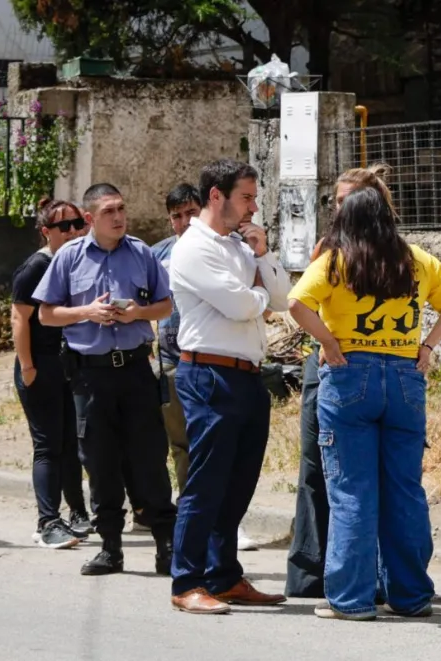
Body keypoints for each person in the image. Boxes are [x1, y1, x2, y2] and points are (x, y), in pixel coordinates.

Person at [288, 185, 441, 621]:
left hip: (349, 374)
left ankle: (351, 599)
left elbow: (296, 303)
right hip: (406, 375)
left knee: (352, 489)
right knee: (404, 490)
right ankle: (411, 596)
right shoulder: (415, 259)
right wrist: (428, 345)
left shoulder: (336, 261)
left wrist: (328, 342)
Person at [33, 183, 178, 577]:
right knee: (100, 461)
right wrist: (87, 312)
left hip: (135, 370)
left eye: (121, 209)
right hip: (91, 375)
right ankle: (110, 548)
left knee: (149, 458)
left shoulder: (142, 252)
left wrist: (138, 313)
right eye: (109, 211)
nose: (118, 217)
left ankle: (166, 546)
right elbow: (46, 314)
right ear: (90, 218)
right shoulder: (69, 257)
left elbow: (165, 305)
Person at [167, 159, 291, 615]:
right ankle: (187, 582)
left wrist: (262, 256)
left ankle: (224, 575)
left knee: (239, 482)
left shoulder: (241, 246)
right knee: (206, 482)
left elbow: (282, 299)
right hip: (209, 374)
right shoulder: (193, 247)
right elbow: (242, 306)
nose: (253, 208)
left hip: (248, 373)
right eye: (246, 197)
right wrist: (257, 295)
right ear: (216, 196)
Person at [285, 164, 396, 599]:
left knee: (372, 475)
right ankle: (311, 571)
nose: (339, 209)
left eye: (347, 201)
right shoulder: (326, 249)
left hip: (376, 371)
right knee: (315, 466)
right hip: (327, 366)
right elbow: (302, 303)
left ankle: (375, 575)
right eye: (336, 202)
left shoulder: (395, 252)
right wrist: (327, 342)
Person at [11, 198, 93, 549]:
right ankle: (47, 522)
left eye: (78, 224)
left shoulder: (75, 262)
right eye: (64, 227)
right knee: (47, 446)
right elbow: (19, 319)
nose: (73, 232)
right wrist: (28, 366)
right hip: (40, 365)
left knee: (70, 444)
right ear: (47, 232)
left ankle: (77, 514)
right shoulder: (37, 266)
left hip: (68, 365)